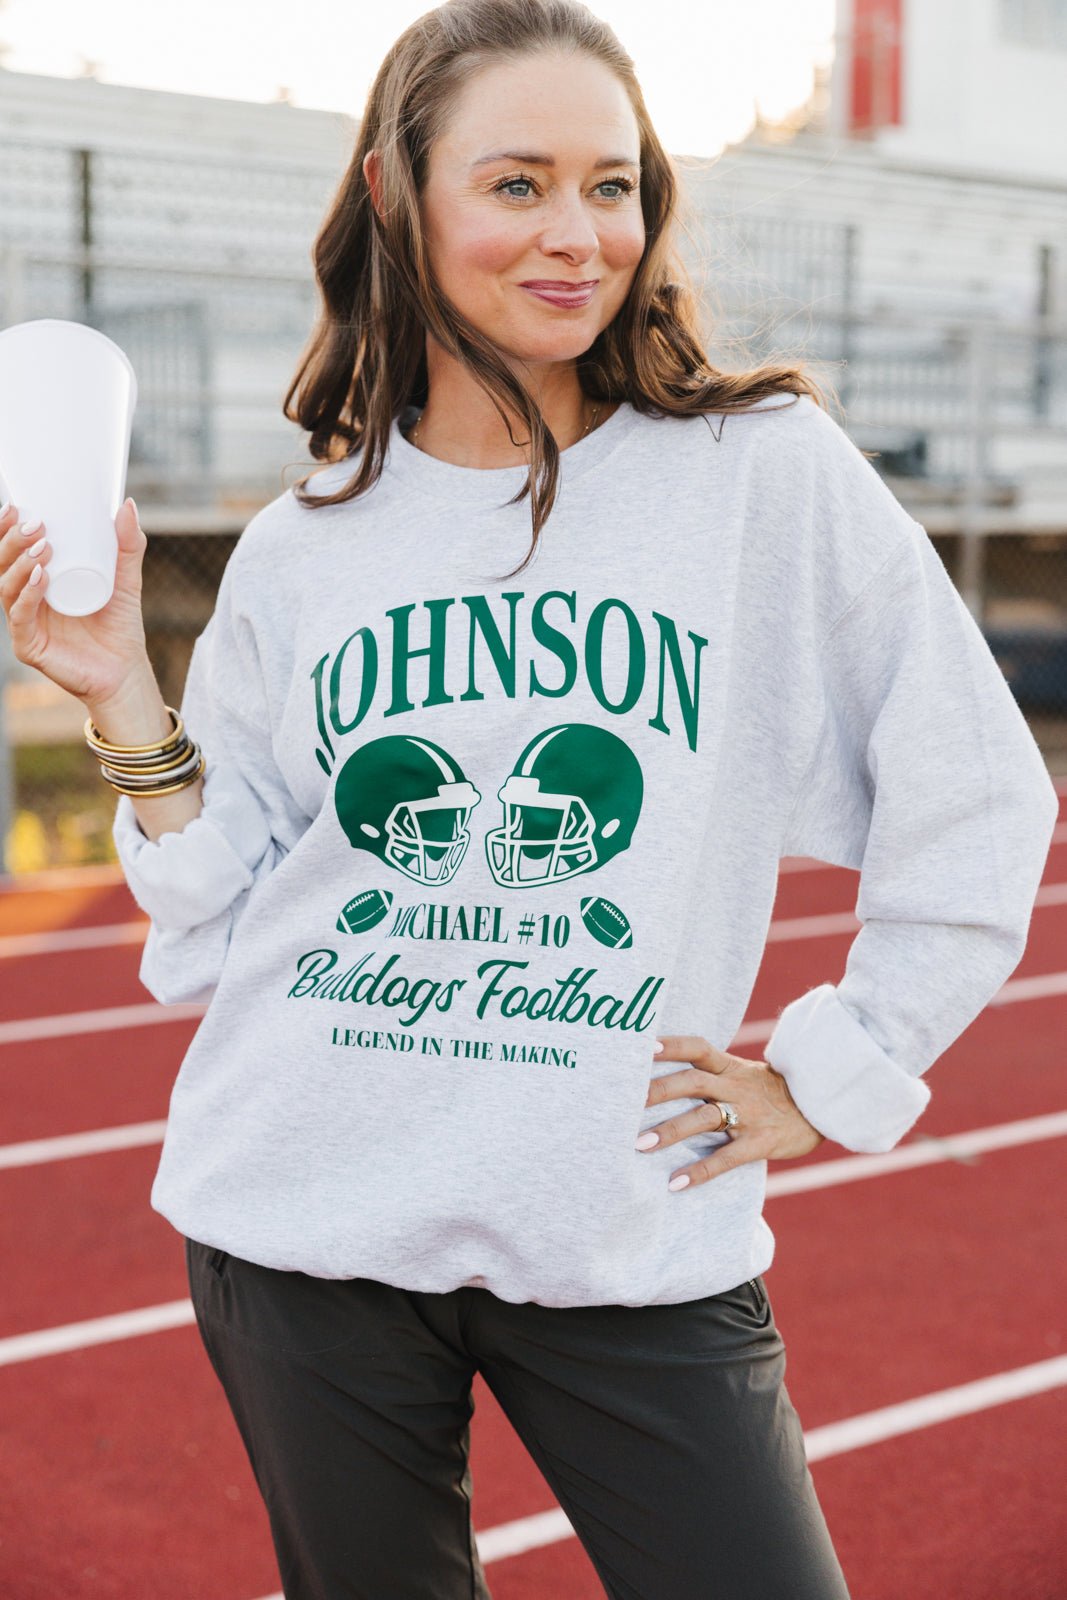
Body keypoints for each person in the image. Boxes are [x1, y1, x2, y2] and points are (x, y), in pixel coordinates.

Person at [1, 2, 1058, 1595]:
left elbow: (975, 789)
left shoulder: (760, 472)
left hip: (626, 1222)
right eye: (518, 184)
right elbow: (223, 920)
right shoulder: (309, 542)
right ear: (397, 191)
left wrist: (838, 1067)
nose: (579, 235)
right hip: (303, 1215)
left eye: (611, 186)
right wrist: (120, 699)